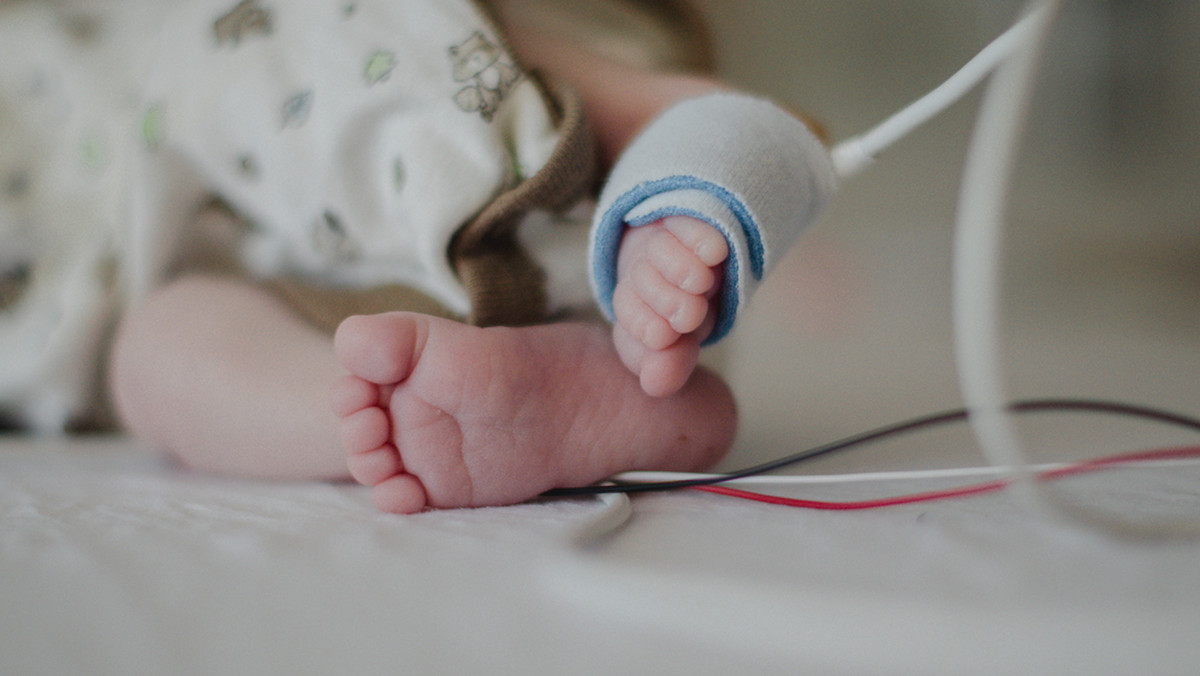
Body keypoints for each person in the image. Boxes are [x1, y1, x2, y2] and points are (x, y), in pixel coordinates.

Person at [1, 0, 834, 513]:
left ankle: (676, 164)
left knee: (355, 46)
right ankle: (405, 407)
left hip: (275, 91)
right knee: (155, 359)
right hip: (255, 279)